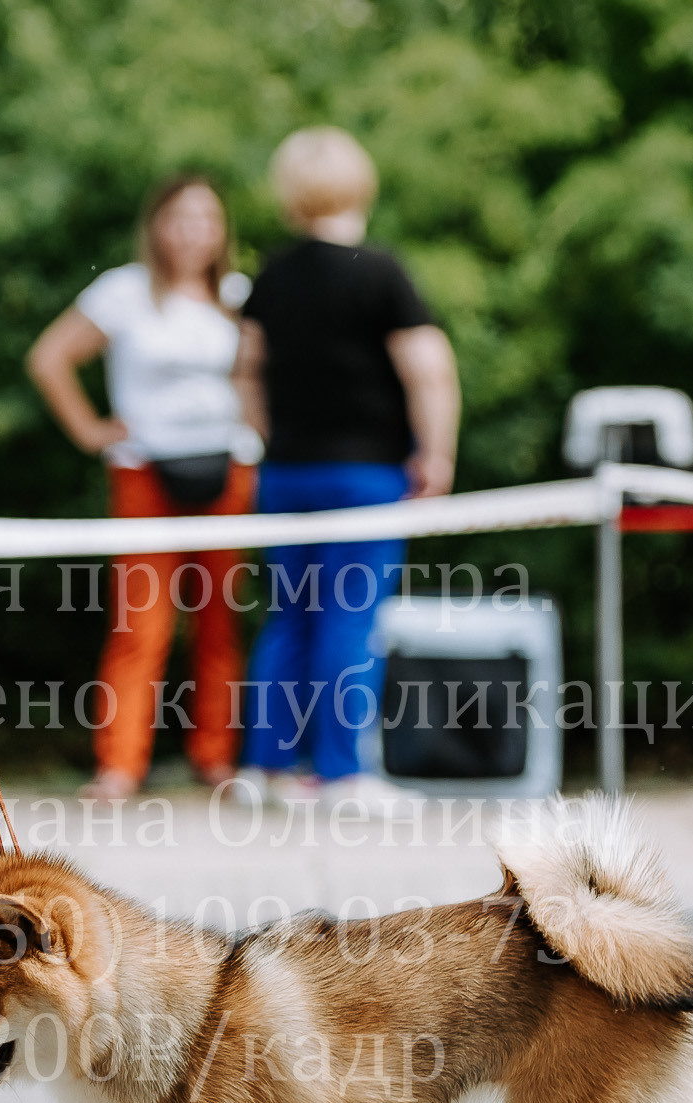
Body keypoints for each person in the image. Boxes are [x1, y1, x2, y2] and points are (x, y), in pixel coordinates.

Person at [234, 127, 459, 800]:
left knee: (290, 615)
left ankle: (265, 768)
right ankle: (341, 773)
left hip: (287, 473)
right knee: (349, 618)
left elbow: (245, 372)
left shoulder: (272, 276)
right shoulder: (380, 272)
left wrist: (273, 436)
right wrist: (436, 452)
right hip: (365, 475)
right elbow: (428, 370)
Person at [27, 175, 257, 799]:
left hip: (228, 469)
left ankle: (216, 760)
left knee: (219, 620)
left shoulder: (237, 296)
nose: (193, 231)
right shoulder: (123, 292)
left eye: (206, 218)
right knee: (141, 623)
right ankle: (120, 765)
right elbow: (50, 357)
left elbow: (257, 377)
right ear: (157, 225)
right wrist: (90, 430)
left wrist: (258, 428)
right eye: (180, 217)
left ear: (221, 230)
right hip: (145, 472)